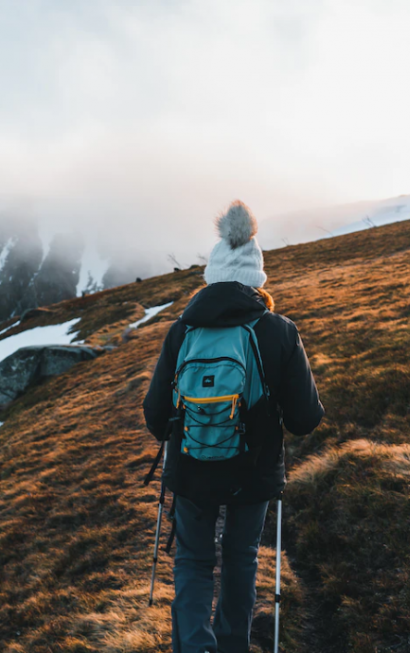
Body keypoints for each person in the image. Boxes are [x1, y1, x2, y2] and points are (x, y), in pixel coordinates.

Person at [142, 200, 324, 653]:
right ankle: (232, 646)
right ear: (257, 276)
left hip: (191, 468)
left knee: (193, 560)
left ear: (212, 273)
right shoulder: (279, 331)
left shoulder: (183, 330)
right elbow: (304, 420)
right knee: (240, 558)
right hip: (253, 469)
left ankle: (193, 647)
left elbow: (153, 416)